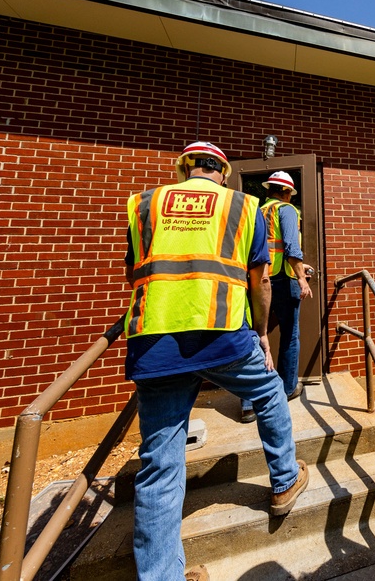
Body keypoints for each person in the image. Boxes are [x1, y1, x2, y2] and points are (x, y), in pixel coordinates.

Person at [123, 142, 309, 581]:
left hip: (156, 341)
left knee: (159, 465)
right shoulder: (242, 207)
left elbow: (133, 271)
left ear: (184, 170)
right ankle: (284, 480)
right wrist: (262, 334)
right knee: (268, 389)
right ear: (222, 172)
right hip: (223, 333)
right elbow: (260, 281)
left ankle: (161, 575)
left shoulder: (144, 204)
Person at [240, 170, 313, 423]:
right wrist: (302, 278)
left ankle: (249, 403)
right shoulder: (287, 210)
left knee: (254, 334)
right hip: (284, 279)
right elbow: (292, 247)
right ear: (286, 192)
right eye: (290, 194)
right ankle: (287, 388)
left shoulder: (256, 211)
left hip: (258, 280)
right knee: (290, 336)